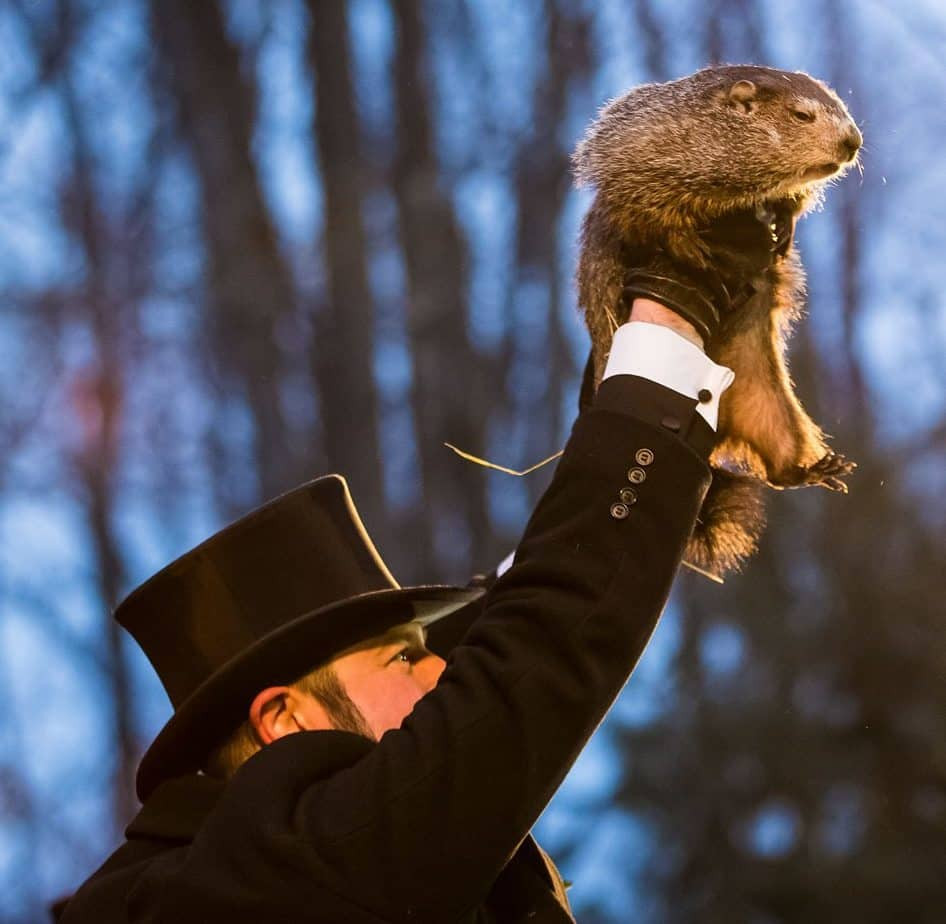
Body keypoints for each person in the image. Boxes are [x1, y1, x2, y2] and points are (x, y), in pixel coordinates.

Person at [56, 214, 781, 923]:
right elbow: (520, 681)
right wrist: (665, 337)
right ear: (285, 719)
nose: (439, 672)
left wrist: (641, 465)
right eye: (405, 658)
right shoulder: (251, 888)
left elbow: (497, 640)